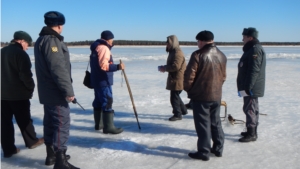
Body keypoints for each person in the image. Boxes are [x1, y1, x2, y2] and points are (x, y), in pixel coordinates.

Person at [34, 11, 79, 169]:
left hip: (48, 91)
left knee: (51, 122)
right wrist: (68, 91)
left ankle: (51, 155)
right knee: (61, 123)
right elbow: (58, 68)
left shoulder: (42, 39)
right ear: (59, 25)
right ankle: (60, 160)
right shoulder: (51, 41)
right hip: (55, 92)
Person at [184, 30, 227, 161]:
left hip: (201, 96)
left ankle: (203, 152)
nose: (197, 44)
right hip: (216, 95)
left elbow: (189, 77)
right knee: (215, 122)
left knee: (203, 125)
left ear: (201, 41)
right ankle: (218, 148)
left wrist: (190, 90)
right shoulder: (222, 55)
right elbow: (223, 77)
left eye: (198, 41)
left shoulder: (198, 55)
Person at [1, 31, 44, 158]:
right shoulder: (20, 54)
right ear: (21, 41)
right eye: (27, 44)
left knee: (4, 123)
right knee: (24, 119)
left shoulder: (1, 52)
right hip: (18, 94)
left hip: (1, 95)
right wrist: (30, 88)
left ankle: (8, 149)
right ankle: (32, 141)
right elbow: (25, 75)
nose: (27, 47)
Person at [90, 30, 124, 134]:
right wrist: (118, 67)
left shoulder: (96, 47)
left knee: (99, 101)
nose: (112, 42)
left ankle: (99, 124)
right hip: (103, 80)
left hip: (96, 80)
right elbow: (104, 66)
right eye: (112, 39)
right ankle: (108, 127)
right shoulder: (104, 48)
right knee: (107, 101)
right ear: (108, 39)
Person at [237, 27, 266, 142]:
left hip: (251, 87)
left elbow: (254, 70)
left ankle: (252, 133)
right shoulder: (251, 49)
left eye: (244, 37)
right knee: (250, 107)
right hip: (248, 85)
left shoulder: (254, 50)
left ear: (250, 37)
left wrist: (248, 87)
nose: (242, 39)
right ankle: (250, 129)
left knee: (250, 108)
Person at [158, 35, 187, 121]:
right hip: (175, 78)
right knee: (176, 95)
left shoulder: (177, 53)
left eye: (168, 43)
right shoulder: (173, 52)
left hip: (178, 78)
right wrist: (165, 67)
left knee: (174, 97)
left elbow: (176, 66)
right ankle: (183, 110)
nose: (167, 45)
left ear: (172, 43)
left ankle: (178, 114)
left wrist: (165, 68)